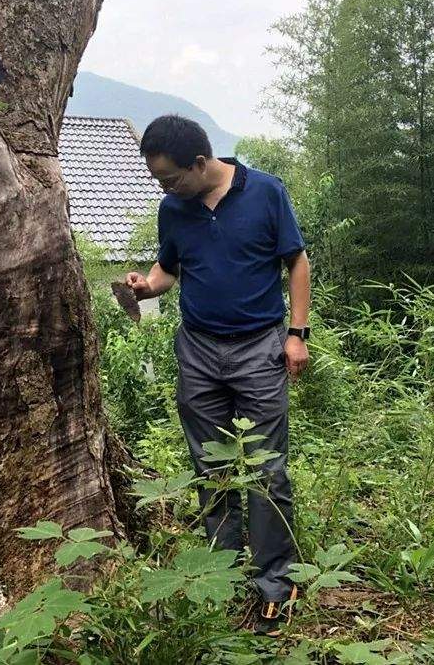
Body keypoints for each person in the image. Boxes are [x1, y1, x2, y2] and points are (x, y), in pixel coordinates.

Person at [125, 114, 311, 636]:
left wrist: (297, 334)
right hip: (199, 351)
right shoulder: (174, 208)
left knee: (267, 468)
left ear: (201, 163)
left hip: (259, 348)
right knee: (211, 466)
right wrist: (146, 285)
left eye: (169, 177)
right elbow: (170, 268)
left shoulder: (266, 193)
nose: (164, 187)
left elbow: (297, 262)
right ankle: (222, 575)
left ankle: (277, 583)